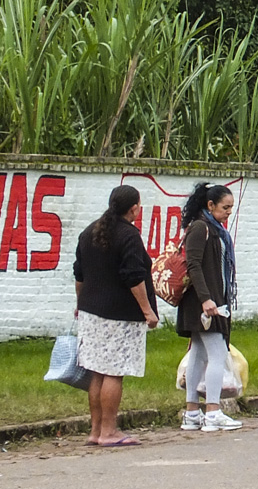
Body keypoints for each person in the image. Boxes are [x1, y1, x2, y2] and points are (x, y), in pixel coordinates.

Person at [74, 185, 159, 447]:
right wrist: (148, 311)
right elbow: (134, 277)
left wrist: (80, 304)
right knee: (114, 372)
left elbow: (79, 274)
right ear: (134, 207)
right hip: (119, 314)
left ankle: (95, 430)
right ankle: (110, 432)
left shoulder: (90, 231)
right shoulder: (129, 236)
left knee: (97, 372)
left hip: (90, 311)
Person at [176, 182, 242, 432]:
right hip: (205, 302)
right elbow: (193, 265)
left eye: (231, 208)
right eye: (225, 207)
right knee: (217, 354)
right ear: (210, 205)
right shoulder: (201, 228)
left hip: (210, 300)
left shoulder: (213, 229)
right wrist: (206, 299)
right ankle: (213, 411)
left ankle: (192, 412)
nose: (228, 212)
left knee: (199, 355)